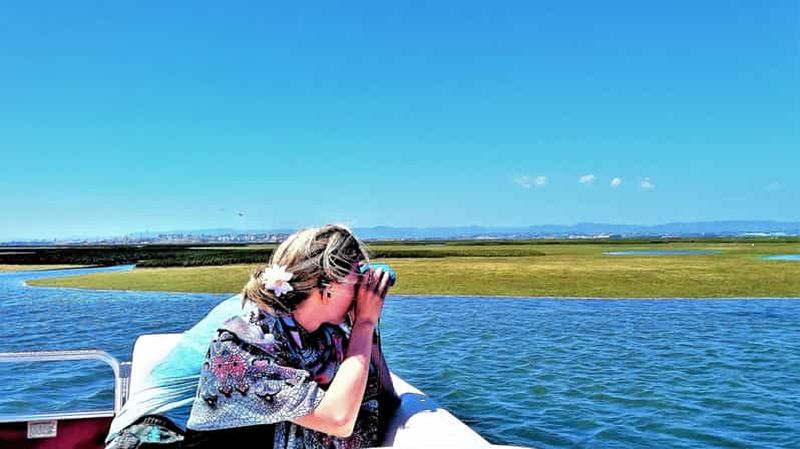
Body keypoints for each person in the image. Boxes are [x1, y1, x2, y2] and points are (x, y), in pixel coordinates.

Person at [105, 224, 398, 448]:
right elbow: (336, 418)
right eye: (359, 278)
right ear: (329, 287)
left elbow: (384, 400)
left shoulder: (313, 330)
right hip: (155, 434)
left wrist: (366, 326)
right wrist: (364, 322)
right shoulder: (246, 337)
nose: (365, 289)